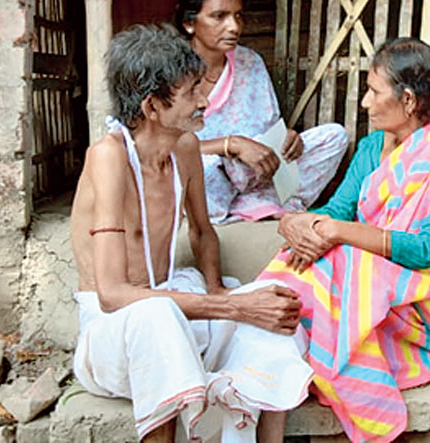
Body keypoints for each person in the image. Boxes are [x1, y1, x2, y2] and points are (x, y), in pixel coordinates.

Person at [69, 24, 313, 443]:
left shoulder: (183, 148)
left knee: (276, 311)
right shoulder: (108, 157)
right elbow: (112, 294)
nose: (205, 101)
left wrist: (221, 292)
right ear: (151, 106)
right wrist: (233, 310)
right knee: (156, 315)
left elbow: (202, 232)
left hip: (174, 312)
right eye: (191, 93)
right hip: (113, 337)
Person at [257, 38, 430, 442]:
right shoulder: (371, 149)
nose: (365, 103)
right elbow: (338, 210)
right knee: (303, 258)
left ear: (406, 100)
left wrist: (334, 232)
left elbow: (425, 250)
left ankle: (362, 399)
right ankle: (287, 361)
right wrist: (296, 224)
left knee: (343, 258)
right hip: (379, 291)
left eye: (373, 91)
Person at [175, 0, 348, 224]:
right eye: (219, 17)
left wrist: (287, 140)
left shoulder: (249, 61)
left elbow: (269, 130)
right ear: (189, 23)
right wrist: (230, 145)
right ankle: (255, 206)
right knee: (202, 169)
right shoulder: (170, 68)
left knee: (334, 137)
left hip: (254, 171)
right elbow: (161, 147)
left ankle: (257, 204)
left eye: (238, 16)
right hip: (209, 174)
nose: (233, 27)